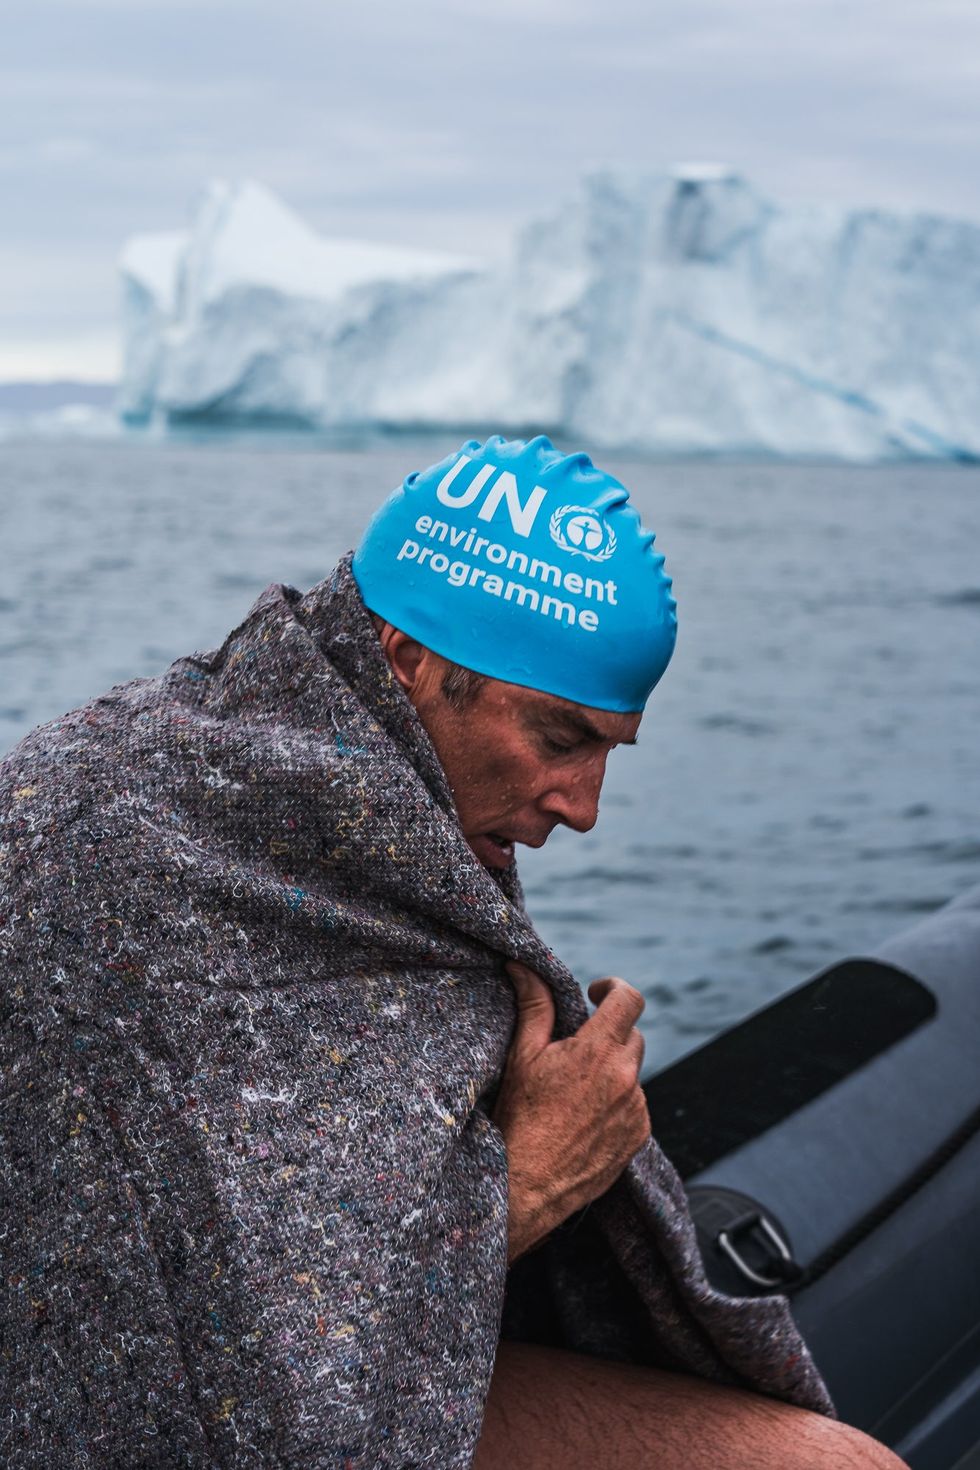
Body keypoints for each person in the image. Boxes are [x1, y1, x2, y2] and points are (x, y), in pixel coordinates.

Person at [0, 436, 904, 1468]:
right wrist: (528, 1180)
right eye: (563, 740)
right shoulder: (95, 854)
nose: (584, 808)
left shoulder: (365, 853)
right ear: (409, 666)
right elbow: (191, 1388)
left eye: (608, 751)